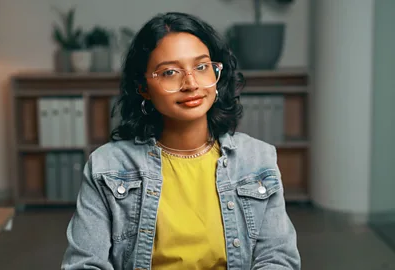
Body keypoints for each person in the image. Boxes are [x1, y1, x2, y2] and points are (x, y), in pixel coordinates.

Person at [61, 11, 301, 270]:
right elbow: (84, 264)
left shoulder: (256, 160)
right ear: (143, 87)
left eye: (201, 67)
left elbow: (277, 260)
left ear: (216, 73)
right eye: (170, 72)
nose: (191, 83)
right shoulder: (106, 167)